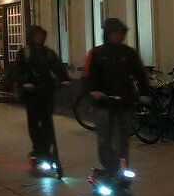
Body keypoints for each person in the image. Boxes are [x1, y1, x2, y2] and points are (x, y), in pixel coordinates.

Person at [84, 17, 149, 180]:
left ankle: (122, 168)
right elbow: (90, 76)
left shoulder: (129, 53)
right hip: (103, 103)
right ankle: (110, 168)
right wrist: (94, 91)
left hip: (123, 103)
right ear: (108, 34)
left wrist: (144, 92)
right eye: (115, 33)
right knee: (104, 139)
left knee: (123, 139)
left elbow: (140, 74)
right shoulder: (97, 53)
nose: (118, 36)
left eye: (121, 33)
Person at [11, 24, 71, 165]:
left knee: (47, 122)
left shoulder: (48, 53)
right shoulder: (24, 53)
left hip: (46, 91)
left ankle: (46, 149)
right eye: (36, 35)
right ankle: (38, 149)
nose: (39, 38)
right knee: (33, 122)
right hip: (31, 93)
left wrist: (65, 79)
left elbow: (57, 67)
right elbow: (18, 71)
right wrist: (23, 83)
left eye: (41, 35)